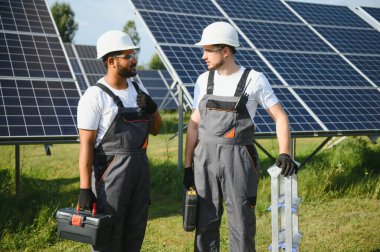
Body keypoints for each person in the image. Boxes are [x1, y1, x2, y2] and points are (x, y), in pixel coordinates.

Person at [183, 22, 298, 252]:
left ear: (226, 50)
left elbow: (281, 117)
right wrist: (187, 166)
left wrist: (284, 152)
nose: (203, 56)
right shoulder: (203, 81)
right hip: (203, 159)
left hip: (238, 159)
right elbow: (194, 125)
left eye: (208, 50)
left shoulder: (254, 80)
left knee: (242, 225)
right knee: (204, 225)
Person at [76, 30, 162, 252]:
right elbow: (86, 145)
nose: (134, 60)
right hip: (110, 176)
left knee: (135, 231)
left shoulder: (137, 90)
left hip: (139, 172)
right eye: (128, 56)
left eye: (134, 54)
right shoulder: (94, 96)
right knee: (109, 236)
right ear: (112, 61)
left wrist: (154, 110)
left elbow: (155, 130)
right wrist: (85, 188)